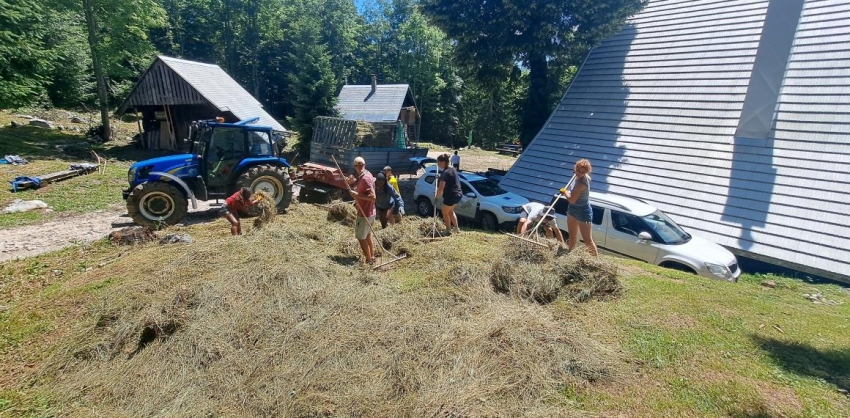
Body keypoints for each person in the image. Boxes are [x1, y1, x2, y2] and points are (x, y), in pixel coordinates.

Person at [562, 159, 599, 256]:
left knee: (587, 240)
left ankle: (596, 262)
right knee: (572, 235)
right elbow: (587, 177)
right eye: (578, 170)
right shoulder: (579, 175)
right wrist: (577, 173)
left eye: (583, 172)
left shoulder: (581, 184)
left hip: (583, 212)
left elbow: (571, 199)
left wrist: (565, 192)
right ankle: (570, 254)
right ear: (575, 167)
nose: (579, 173)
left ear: (586, 172)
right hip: (572, 210)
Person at [347, 156, 377, 264]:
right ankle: (372, 256)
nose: (359, 167)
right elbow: (362, 189)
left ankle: (369, 260)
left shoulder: (365, 178)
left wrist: (357, 195)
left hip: (366, 213)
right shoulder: (365, 175)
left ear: (363, 165)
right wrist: (352, 185)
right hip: (370, 212)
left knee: (361, 237)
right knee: (368, 235)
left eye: (360, 165)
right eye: (358, 165)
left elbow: (373, 197)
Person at [435, 153, 462, 234]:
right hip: (458, 194)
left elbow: (441, 188)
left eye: (439, 162)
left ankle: (448, 230)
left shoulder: (445, 173)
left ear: (443, 162)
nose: (438, 164)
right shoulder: (453, 169)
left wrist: (436, 197)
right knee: (450, 211)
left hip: (451, 195)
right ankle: (456, 228)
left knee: (444, 212)